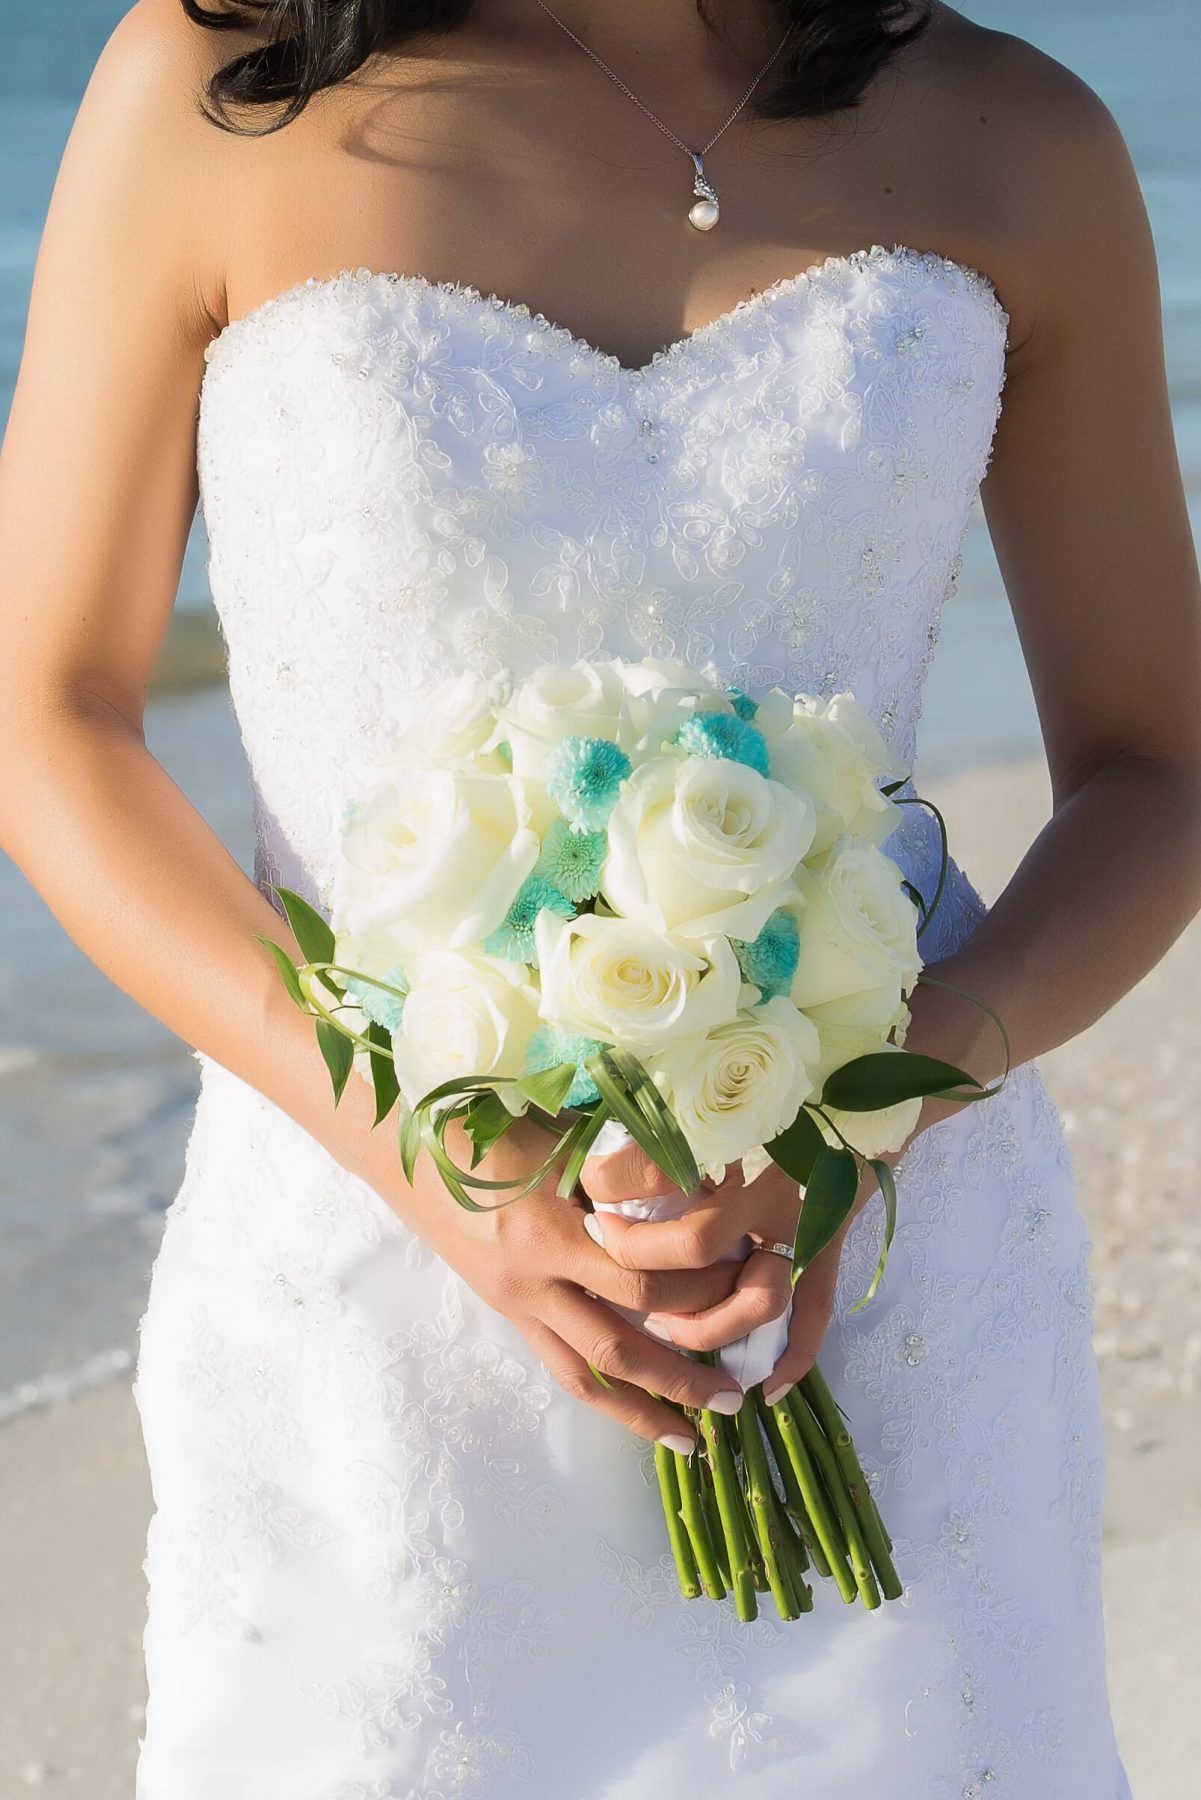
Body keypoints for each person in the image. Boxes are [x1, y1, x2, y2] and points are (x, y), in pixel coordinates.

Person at [1, 0, 1198, 1792]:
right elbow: (50, 723)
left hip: (875, 1277)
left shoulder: (1011, 134)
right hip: (368, 1258)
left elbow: (1158, 769)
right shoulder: (210, 83)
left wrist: (880, 1103)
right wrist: (422, 1150)